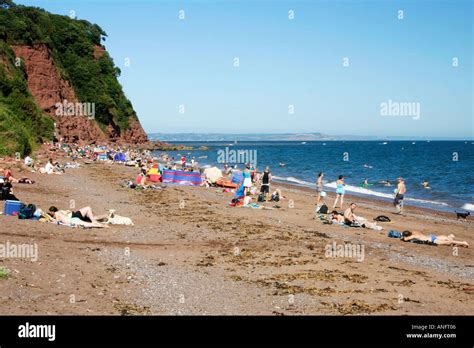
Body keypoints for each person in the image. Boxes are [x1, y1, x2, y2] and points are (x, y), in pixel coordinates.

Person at [401, 230, 469, 247]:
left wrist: (403, 237)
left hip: (432, 240)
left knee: (448, 242)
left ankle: (463, 242)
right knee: (446, 238)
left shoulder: (412, 236)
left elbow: (405, 239)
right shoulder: (414, 232)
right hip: (431, 236)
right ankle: (451, 236)